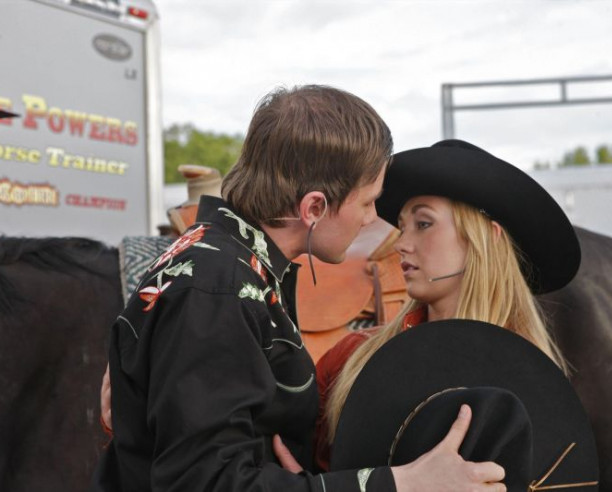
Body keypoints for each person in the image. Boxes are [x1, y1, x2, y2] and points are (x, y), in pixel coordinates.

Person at [92, 86, 506, 492]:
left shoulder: (233, 267)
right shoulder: (220, 290)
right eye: (366, 203)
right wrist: (402, 484)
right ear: (313, 208)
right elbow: (205, 482)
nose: (371, 220)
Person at [311, 139, 582, 472]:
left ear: (486, 238)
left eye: (423, 224)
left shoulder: (539, 383)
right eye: (402, 227)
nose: (401, 244)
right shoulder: (350, 358)